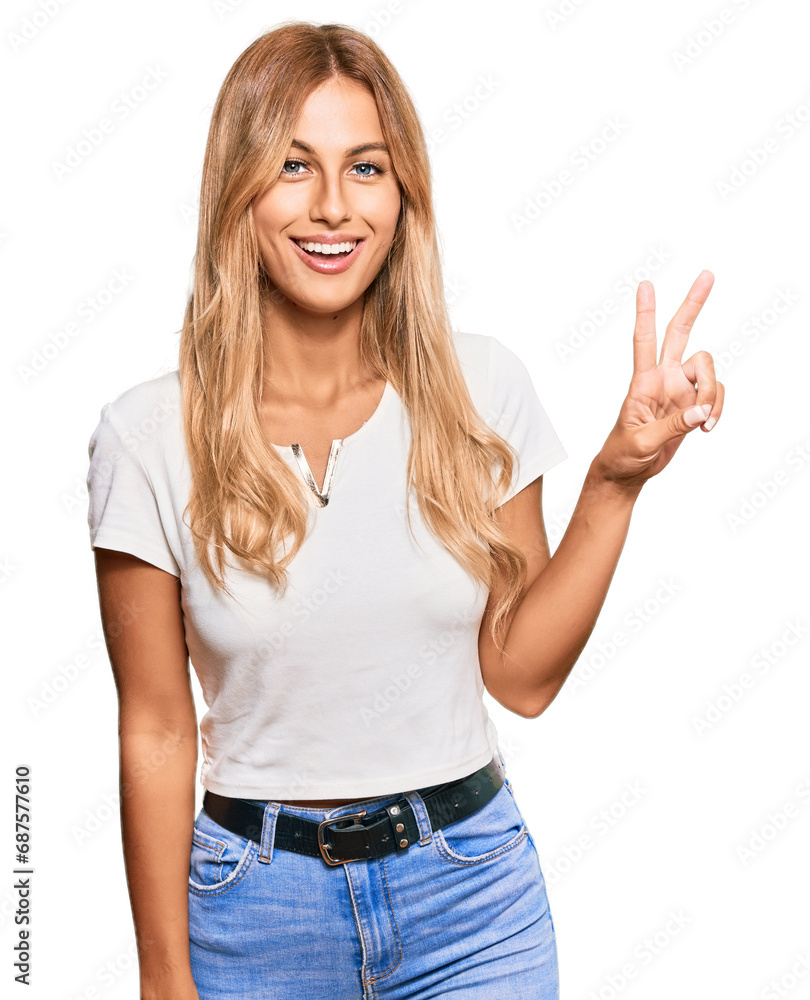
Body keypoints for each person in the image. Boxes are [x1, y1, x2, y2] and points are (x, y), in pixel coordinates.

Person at [86, 20, 724, 1000]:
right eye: (293, 164)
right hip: (254, 919)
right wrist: (162, 974)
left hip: (472, 905)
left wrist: (615, 482)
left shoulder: (482, 390)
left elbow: (521, 677)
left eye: (366, 167)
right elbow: (158, 729)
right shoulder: (145, 436)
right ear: (237, 189)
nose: (333, 206)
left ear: (403, 195)